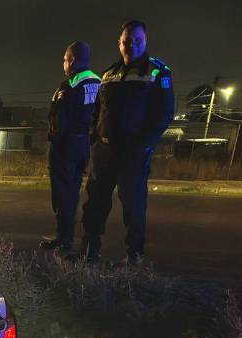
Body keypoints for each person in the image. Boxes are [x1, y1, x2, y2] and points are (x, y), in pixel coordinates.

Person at [72, 19, 174, 265]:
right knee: (94, 205)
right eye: (127, 41)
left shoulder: (158, 72)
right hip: (104, 152)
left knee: (134, 208)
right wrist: (94, 141)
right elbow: (97, 112)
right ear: (119, 44)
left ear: (145, 41)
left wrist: (145, 146)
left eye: (137, 40)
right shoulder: (109, 74)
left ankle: (134, 258)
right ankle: (89, 252)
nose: (132, 45)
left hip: (133, 154)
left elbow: (164, 114)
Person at [41, 41, 101, 253]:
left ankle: (63, 238)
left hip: (66, 146)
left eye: (65, 60)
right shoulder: (99, 82)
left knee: (62, 193)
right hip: (85, 144)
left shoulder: (70, 85)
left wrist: (54, 143)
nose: (64, 64)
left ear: (72, 60)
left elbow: (58, 119)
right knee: (73, 191)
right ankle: (69, 237)